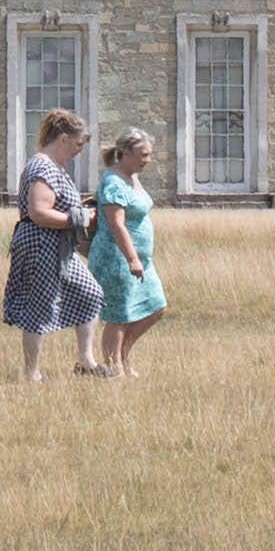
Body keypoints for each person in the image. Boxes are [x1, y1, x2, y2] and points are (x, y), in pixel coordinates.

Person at [5, 107, 107, 380]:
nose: (79, 151)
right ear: (62, 139)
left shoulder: (55, 168)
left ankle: (86, 363)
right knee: (40, 307)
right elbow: (38, 212)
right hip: (41, 245)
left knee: (91, 294)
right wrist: (79, 217)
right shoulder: (42, 167)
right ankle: (32, 375)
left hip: (58, 247)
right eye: (77, 144)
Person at [87, 127, 165, 377]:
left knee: (155, 306)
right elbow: (116, 223)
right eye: (143, 155)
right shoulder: (113, 182)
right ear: (125, 153)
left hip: (141, 259)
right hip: (116, 258)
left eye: (149, 155)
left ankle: (122, 354)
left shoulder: (133, 178)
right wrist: (131, 258)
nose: (147, 161)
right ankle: (115, 368)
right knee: (119, 314)